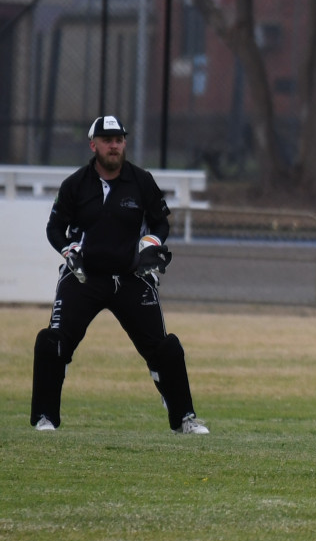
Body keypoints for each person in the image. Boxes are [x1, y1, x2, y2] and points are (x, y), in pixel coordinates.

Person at [31, 115, 208, 434]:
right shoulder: (75, 185)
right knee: (52, 342)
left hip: (132, 276)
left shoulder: (141, 181)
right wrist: (69, 251)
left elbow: (161, 223)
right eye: (107, 140)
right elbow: (54, 227)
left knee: (165, 349)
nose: (114, 145)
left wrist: (150, 243)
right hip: (85, 277)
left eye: (119, 139)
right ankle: (45, 418)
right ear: (93, 145)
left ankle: (184, 419)